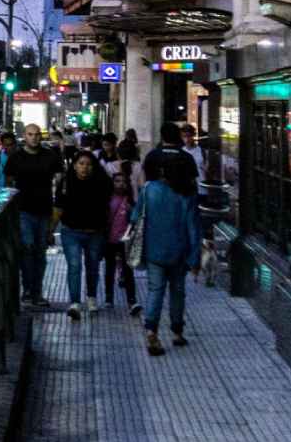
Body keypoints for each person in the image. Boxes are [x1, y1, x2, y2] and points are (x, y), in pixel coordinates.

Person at [132, 157, 202, 356]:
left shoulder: (149, 189)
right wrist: (195, 259)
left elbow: (135, 217)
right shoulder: (187, 196)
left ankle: (151, 329)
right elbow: (194, 230)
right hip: (179, 253)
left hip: (154, 251)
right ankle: (177, 332)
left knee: (155, 290)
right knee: (177, 292)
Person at [4, 123, 66, 307]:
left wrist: (57, 194)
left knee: (40, 252)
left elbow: (60, 175)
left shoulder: (49, 156)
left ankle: (36, 291)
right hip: (23, 210)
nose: (34, 138)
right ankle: (28, 289)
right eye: (31, 134)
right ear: (25, 136)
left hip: (44, 210)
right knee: (28, 247)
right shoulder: (16, 157)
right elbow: (8, 181)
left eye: (37, 134)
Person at [54, 150, 112, 319]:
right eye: (81, 164)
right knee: (74, 266)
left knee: (93, 267)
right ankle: (75, 303)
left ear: (94, 167)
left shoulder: (102, 182)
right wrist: (49, 230)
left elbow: (108, 207)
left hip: (95, 232)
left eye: (88, 164)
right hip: (71, 231)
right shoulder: (66, 182)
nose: (84, 168)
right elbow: (58, 208)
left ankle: (92, 297)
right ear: (74, 166)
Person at [103, 171, 140, 315]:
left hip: (125, 241)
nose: (120, 184)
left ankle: (132, 299)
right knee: (109, 269)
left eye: (123, 181)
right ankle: (108, 297)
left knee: (128, 271)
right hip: (110, 240)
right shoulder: (108, 200)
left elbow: (134, 221)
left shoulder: (130, 201)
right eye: (117, 181)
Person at [143, 121, 198, 187]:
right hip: (181, 195)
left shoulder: (151, 156)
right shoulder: (187, 157)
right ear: (178, 136)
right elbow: (193, 182)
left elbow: (146, 181)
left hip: (156, 195)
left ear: (162, 136)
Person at [181, 123, 208, 202]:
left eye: (189, 136)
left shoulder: (202, 151)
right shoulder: (181, 152)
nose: (187, 139)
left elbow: (207, 170)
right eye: (184, 136)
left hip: (201, 189)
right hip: (185, 189)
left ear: (193, 136)